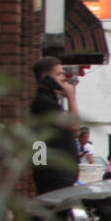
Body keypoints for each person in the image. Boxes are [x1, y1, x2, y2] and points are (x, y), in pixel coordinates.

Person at [29, 57, 80, 195]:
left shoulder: (50, 100)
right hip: (54, 174)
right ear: (45, 78)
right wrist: (71, 97)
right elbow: (74, 125)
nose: (63, 78)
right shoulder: (43, 102)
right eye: (58, 74)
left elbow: (74, 132)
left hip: (58, 172)